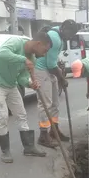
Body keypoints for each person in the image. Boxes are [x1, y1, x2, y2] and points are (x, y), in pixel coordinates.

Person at [0, 32, 51, 163]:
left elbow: (22, 77)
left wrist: (30, 83)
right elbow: (0, 54)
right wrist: (22, 59)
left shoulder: (32, 59)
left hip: (10, 84)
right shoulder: (15, 42)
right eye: (45, 50)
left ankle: (29, 147)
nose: (44, 54)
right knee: (3, 116)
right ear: (38, 44)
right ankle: (5, 151)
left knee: (21, 114)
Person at [34, 20, 79, 148]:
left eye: (72, 34)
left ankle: (54, 130)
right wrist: (62, 79)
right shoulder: (55, 38)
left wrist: (59, 75)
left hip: (50, 70)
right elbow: (50, 64)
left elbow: (53, 61)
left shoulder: (60, 36)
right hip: (42, 70)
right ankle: (43, 135)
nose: (70, 36)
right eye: (69, 32)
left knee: (55, 103)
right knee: (45, 103)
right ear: (63, 27)